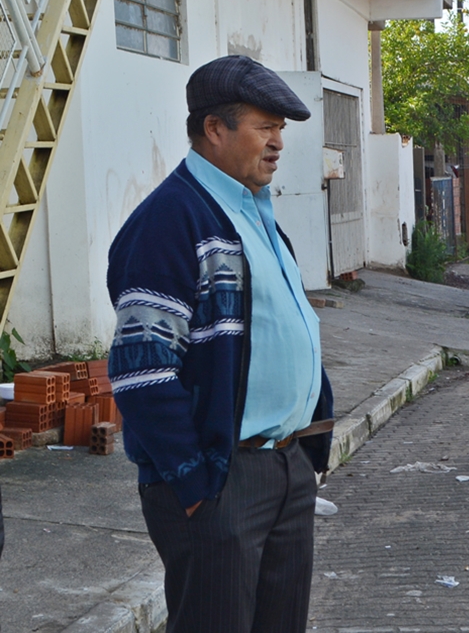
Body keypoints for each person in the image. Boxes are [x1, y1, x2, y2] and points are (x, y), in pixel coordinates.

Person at [108, 55, 335, 633]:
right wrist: (194, 487)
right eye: (265, 127)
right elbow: (142, 370)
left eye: (280, 129)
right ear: (214, 128)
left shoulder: (254, 213)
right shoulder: (171, 220)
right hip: (221, 481)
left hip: (284, 467)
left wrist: (305, 454)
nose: (278, 142)